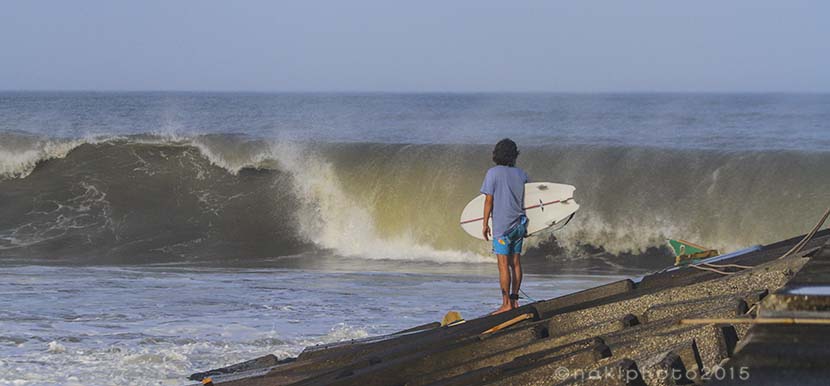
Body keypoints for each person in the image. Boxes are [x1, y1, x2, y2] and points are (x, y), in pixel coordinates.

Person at [480, 138, 528, 314]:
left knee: (502, 264)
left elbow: (488, 201)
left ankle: (506, 303)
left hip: (503, 226)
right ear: (514, 155)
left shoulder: (492, 173)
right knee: (515, 263)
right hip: (519, 224)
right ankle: (515, 302)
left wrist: (485, 224)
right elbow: (528, 201)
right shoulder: (522, 174)